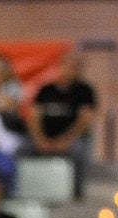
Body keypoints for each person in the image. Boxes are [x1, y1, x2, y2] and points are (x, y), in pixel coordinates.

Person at [27, 51, 97, 196]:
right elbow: (34, 115)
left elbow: (86, 118)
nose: (70, 70)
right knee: (20, 150)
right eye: (67, 65)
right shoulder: (47, 89)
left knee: (78, 150)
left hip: (72, 139)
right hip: (44, 138)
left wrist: (65, 141)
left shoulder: (85, 91)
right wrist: (40, 139)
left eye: (75, 67)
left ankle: (75, 191)